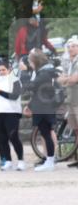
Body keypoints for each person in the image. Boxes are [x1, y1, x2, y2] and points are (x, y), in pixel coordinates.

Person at [20, 50, 61, 172]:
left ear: (35, 61)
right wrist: (30, 105)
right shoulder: (44, 72)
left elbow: (30, 86)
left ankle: (50, 161)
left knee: (46, 133)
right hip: (42, 106)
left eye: (31, 62)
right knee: (45, 133)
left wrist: (24, 72)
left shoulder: (44, 73)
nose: (30, 64)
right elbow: (39, 92)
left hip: (44, 108)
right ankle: (49, 160)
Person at [0, 60, 26, 171]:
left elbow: (14, 96)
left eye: (3, 70)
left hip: (11, 112)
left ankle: (21, 160)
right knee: (1, 138)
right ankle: (8, 161)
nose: (1, 72)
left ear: (9, 70)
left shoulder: (15, 80)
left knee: (13, 136)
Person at [60, 37, 78, 168]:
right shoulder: (69, 62)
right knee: (76, 130)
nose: (70, 48)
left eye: (73, 46)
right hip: (71, 100)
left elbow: (73, 80)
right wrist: (67, 79)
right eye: (69, 46)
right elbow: (60, 79)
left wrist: (66, 79)